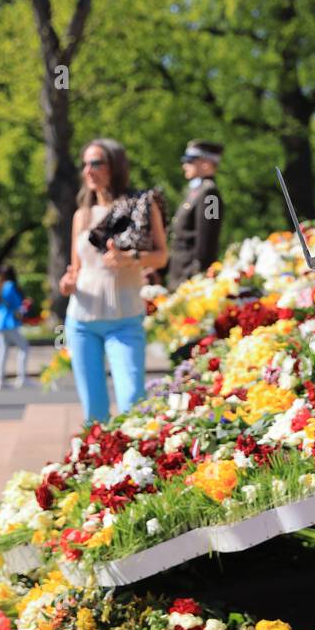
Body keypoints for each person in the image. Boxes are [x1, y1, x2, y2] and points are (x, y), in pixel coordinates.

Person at [59, 138, 169, 423]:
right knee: (94, 413)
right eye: (85, 163)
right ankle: (99, 465)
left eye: (96, 163)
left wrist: (130, 258)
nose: (88, 170)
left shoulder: (141, 206)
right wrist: (68, 282)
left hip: (125, 320)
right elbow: (76, 267)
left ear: (116, 166)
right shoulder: (81, 216)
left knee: (132, 402)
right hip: (81, 322)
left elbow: (161, 256)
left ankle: (136, 463)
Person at [166, 141, 224, 290]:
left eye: (190, 160)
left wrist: (198, 274)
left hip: (190, 278)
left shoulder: (210, 194)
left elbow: (207, 240)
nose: (185, 164)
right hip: (179, 274)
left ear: (206, 164)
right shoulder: (195, 191)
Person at [0, 264, 30, 391]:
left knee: (2, 350)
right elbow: (18, 306)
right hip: (9, 323)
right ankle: (22, 377)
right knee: (24, 347)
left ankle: (0, 379)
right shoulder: (10, 287)